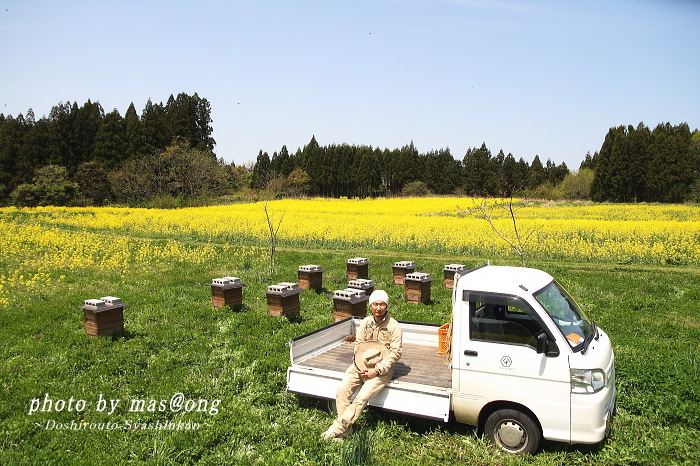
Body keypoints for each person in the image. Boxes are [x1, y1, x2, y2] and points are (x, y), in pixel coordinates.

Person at [322, 289, 402, 440]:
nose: (379, 308)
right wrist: (360, 367)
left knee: (361, 399)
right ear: (370, 306)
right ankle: (346, 430)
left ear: (387, 306)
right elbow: (358, 346)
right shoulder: (365, 323)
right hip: (360, 366)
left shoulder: (394, 326)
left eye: (382, 304)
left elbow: (395, 354)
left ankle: (337, 429)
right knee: (342, 390)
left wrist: (376, 371)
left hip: (382, 370)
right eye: (375, 304)